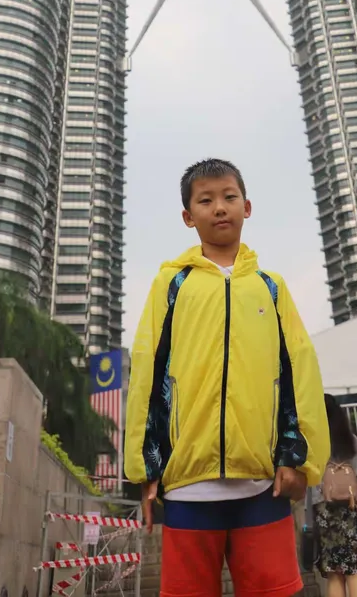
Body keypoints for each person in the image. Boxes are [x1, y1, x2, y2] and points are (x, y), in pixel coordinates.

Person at [125, 158, 330, 597]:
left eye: (229, 197)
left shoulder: (270, 286)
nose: (220, 207)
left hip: (263, 485)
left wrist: (300, 459)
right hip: (186, 489)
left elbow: (300, 373)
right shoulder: (171, 284)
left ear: (247, 206)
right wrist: (146, 467)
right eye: (206, 199)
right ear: (188, 216)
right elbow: (147, 370)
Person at [310, 394, 357, 597]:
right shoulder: (351, 440)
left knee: (335, 575)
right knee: (355, 572)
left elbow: (310, 483)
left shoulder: (313, 443)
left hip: (324, 511)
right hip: (352, 508)